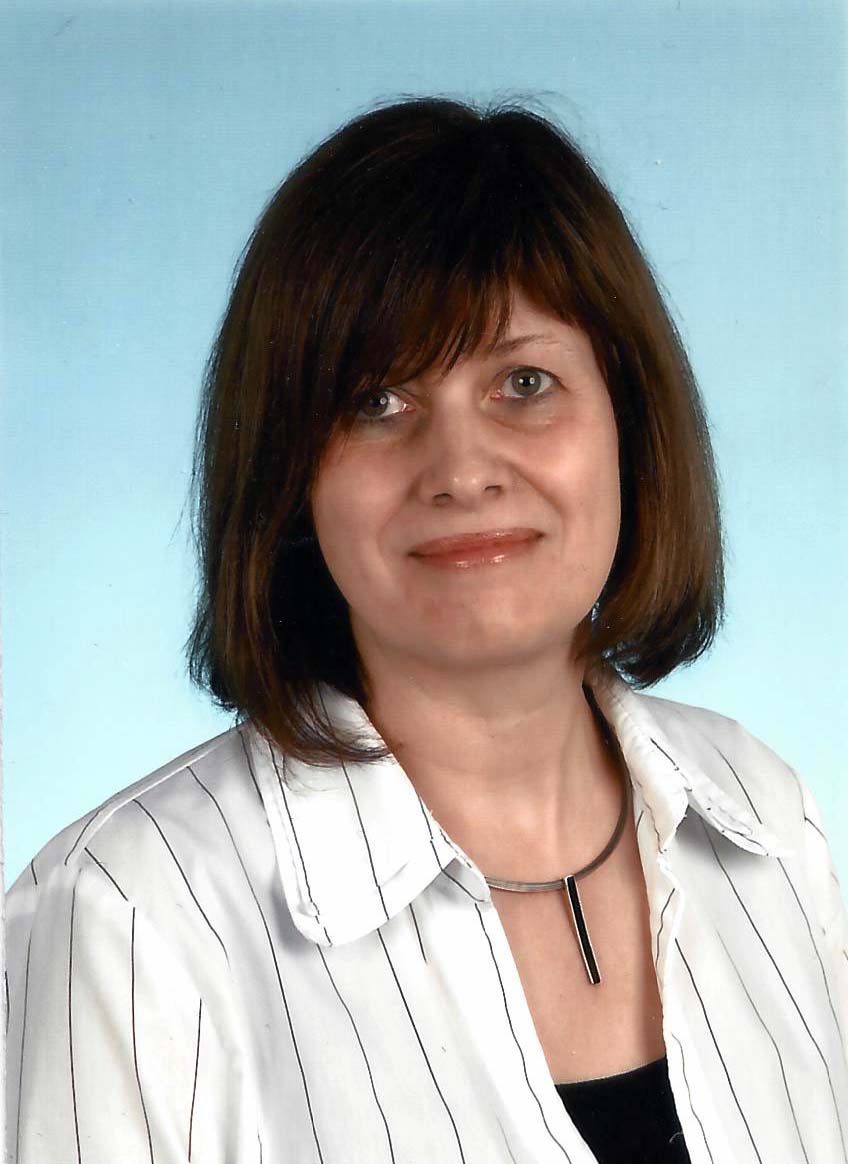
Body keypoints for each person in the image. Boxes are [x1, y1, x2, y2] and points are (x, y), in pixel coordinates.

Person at [5, 96, 847, 1164]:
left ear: (630, 426)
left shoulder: (768, 821)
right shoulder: (126, 916)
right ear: (289, 476)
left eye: (524, 384)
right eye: (377, 403)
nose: (460, 471)